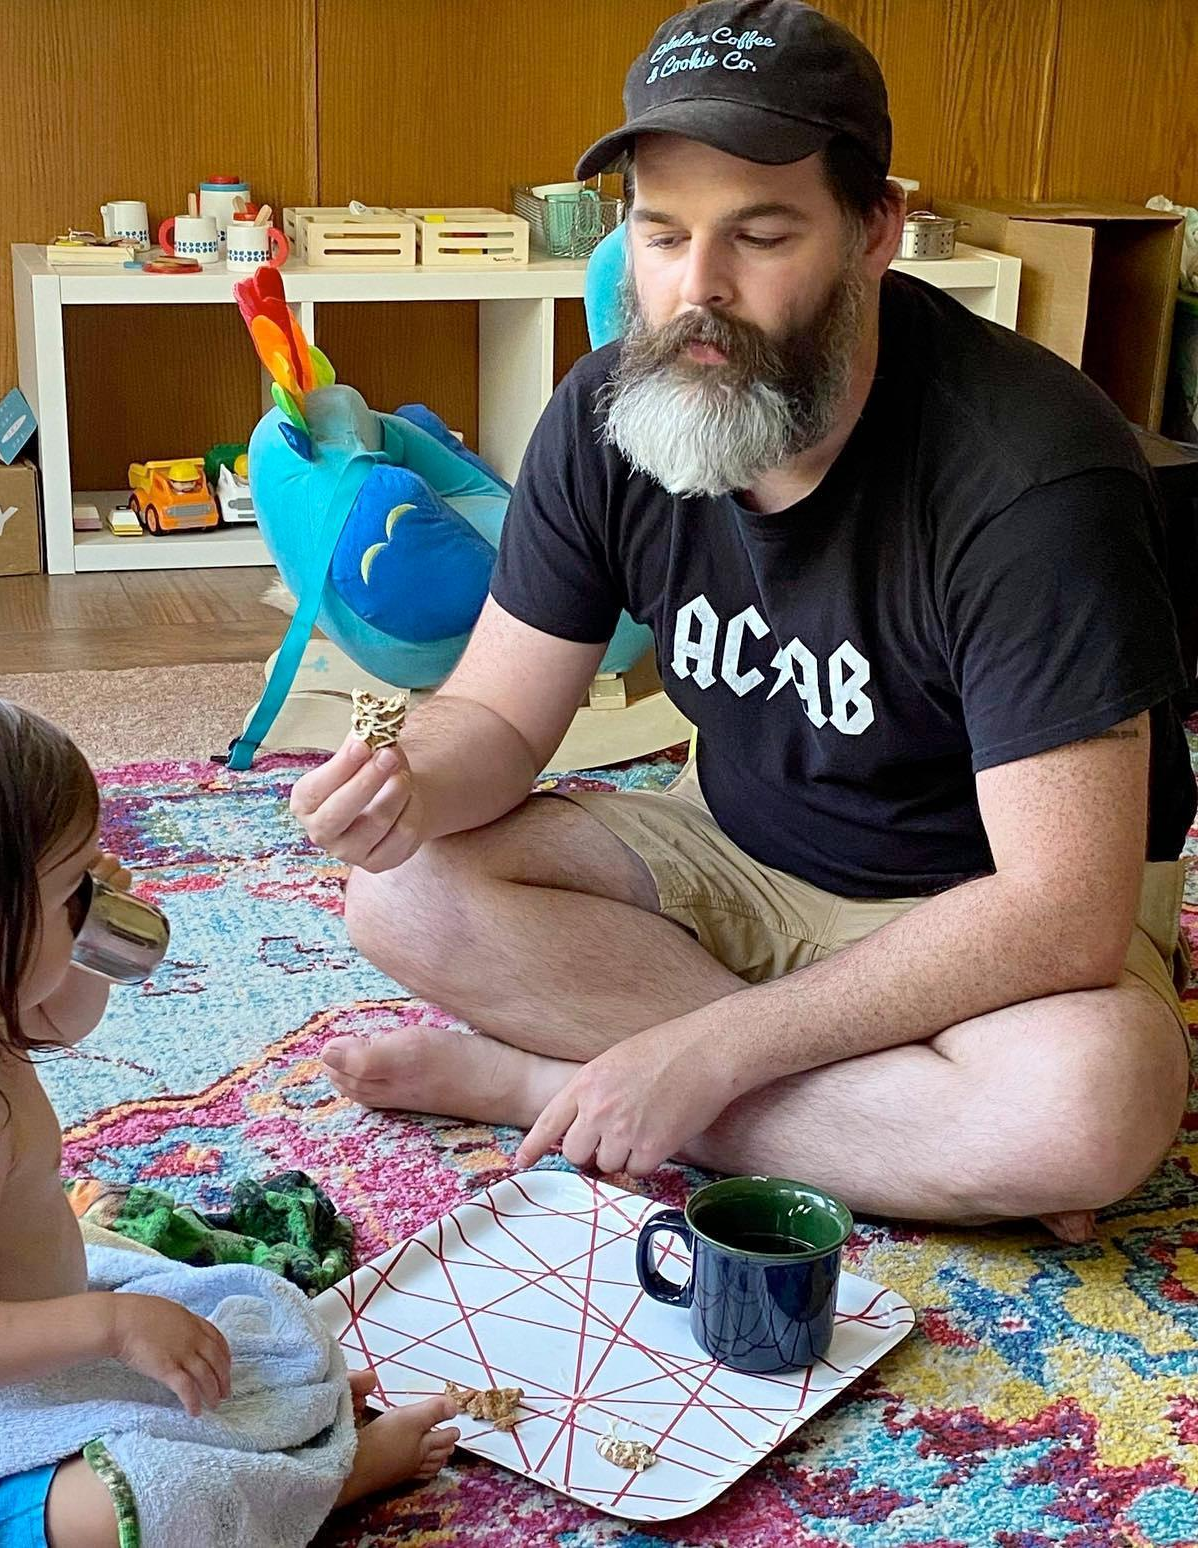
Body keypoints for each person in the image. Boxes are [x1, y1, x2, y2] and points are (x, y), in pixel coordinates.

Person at [289, 0, 1195, 1243]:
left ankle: (560, 1083)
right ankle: (875, 1133)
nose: (695, 291)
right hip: (738, 853)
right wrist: (403, 780)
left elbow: (1060, 908)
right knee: (398, 894)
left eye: (760, 235)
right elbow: (499, 715)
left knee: (1087, 1108)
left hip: (976, 918)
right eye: (661, 235)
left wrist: (705, 1052)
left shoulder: (1034, 474)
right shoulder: (611, 410)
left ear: (876, 230)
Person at [0, 669, 456, 1547]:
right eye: (67, 892)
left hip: (21, 1363)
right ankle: (324, 1478)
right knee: (165, 1499)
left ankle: (280, 1428)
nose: (91, 895)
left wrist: (81, 933)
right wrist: (111, 1324)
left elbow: (57, 1010)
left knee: (237, 1321)